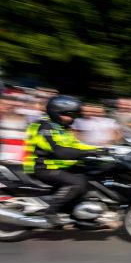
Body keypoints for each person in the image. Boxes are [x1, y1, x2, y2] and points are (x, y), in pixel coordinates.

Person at [22, 95, 99, 223]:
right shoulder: (43, 127)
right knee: (77, 183)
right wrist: (88, 151)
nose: (72, 118)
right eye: (69, 115)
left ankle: (73, 209)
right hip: (42, 167)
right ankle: (50, 212)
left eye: (74, 115)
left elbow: (75, 145)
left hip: (56, 166)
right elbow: (59, 152)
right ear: (56, 112)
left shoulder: (60, 128)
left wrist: (100, 149)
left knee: (91, 175)